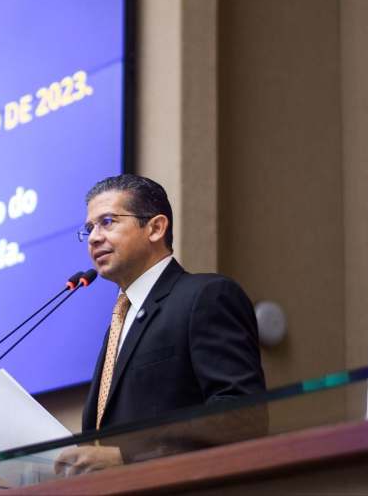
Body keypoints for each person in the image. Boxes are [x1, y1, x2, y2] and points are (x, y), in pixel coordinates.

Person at [55, 174, 265, 475]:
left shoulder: (206, 296)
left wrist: (128, 457)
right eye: (89, 228)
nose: (94, 238)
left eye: (108, 222)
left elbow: (241, 416)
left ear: (155, 228)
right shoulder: (120, 321)